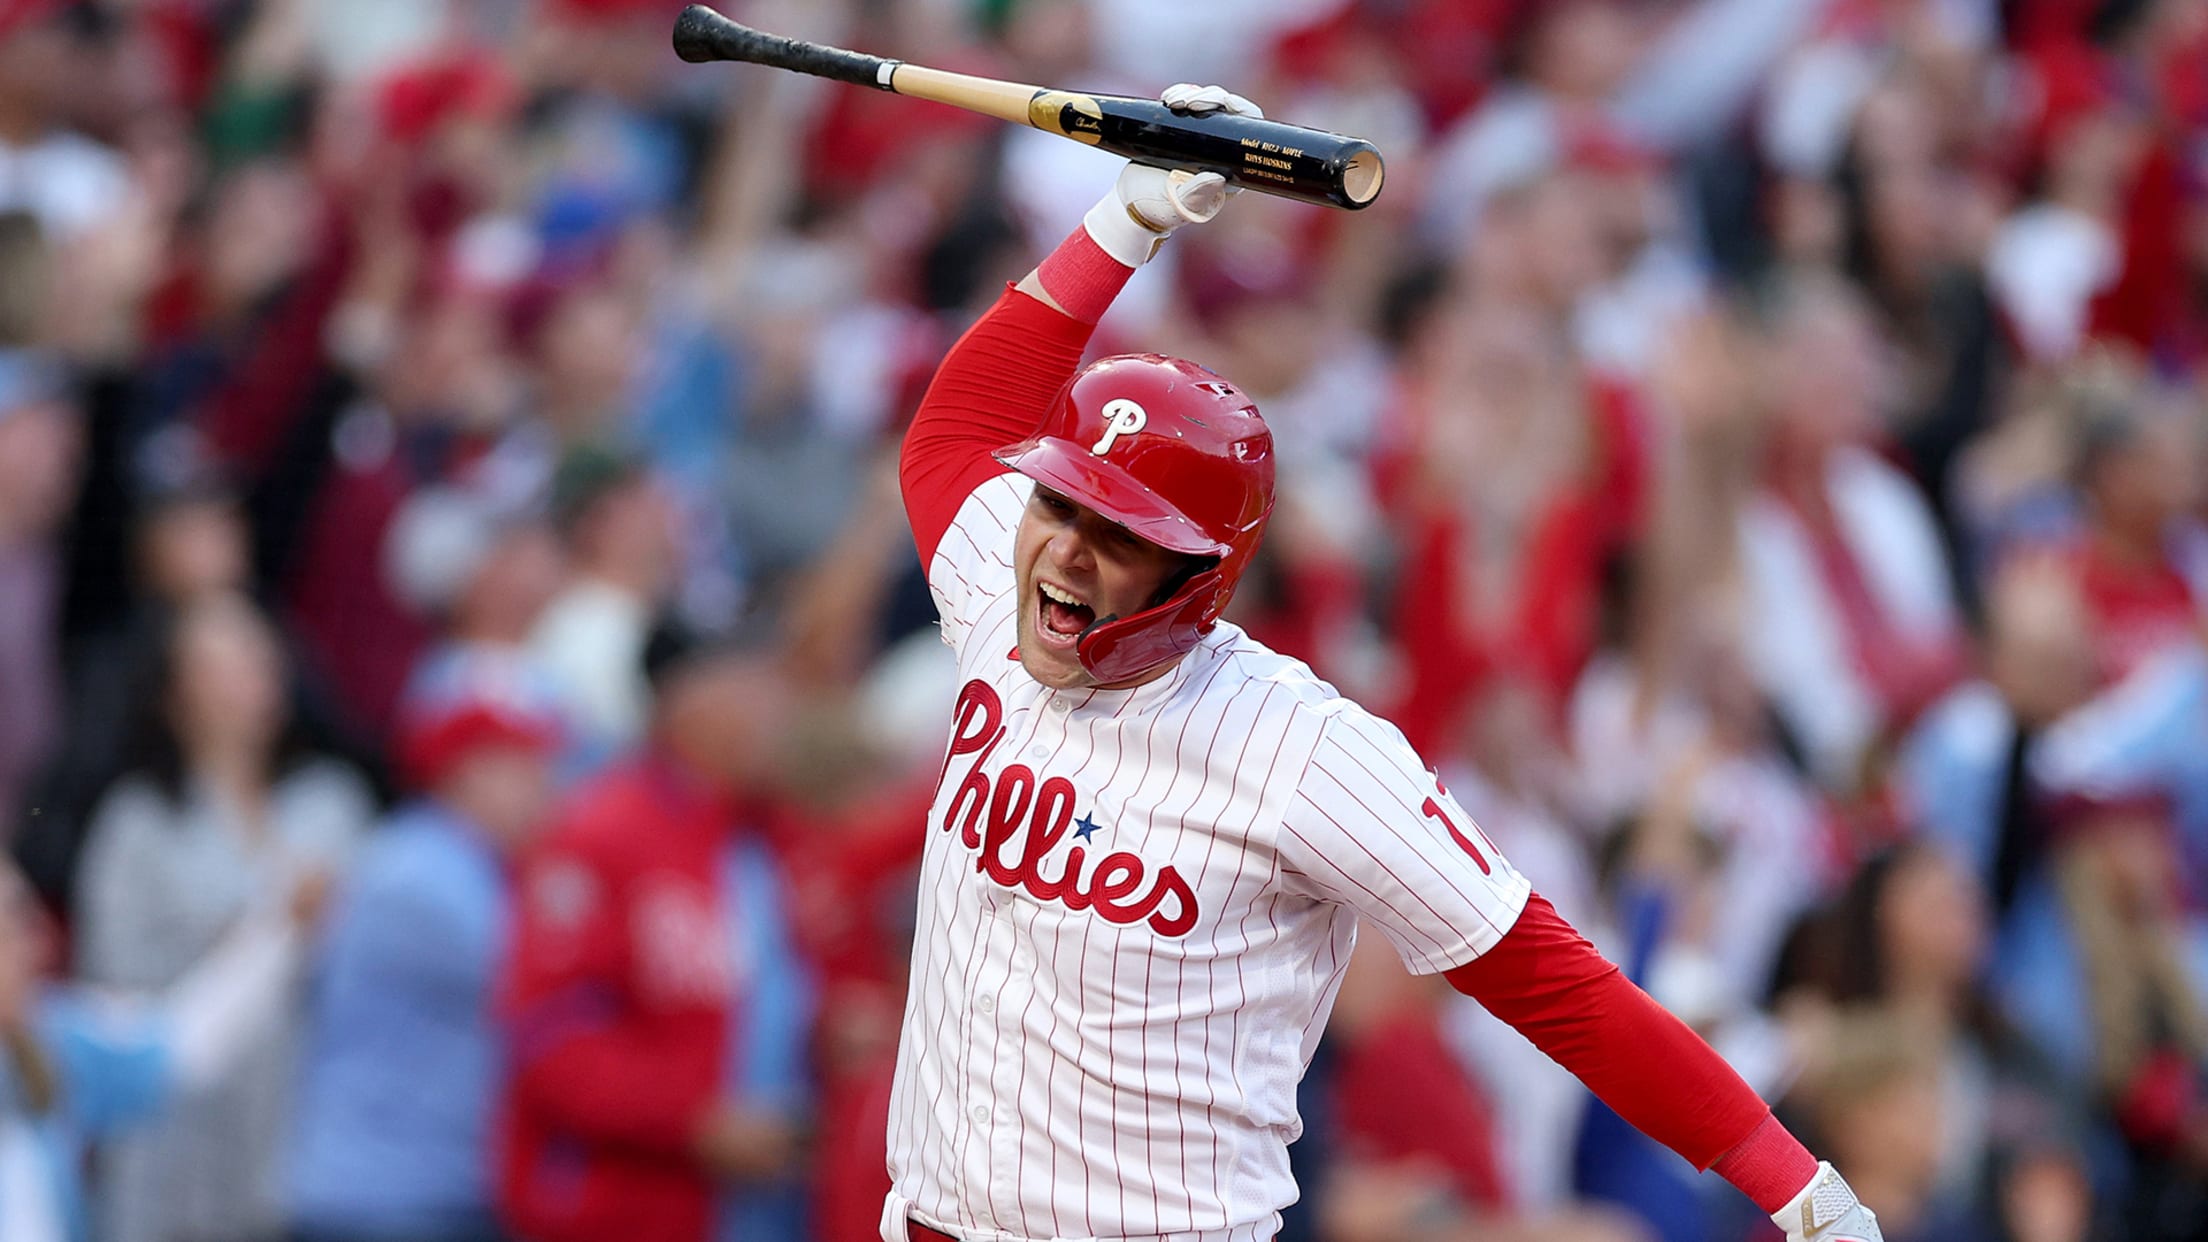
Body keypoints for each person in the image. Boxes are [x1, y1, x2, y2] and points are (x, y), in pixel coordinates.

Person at [884, 84, 1883, 1242]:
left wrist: (1792, 1183)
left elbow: (1556, 983)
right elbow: (955, 431)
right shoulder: (995, 592)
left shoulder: (1303, 750)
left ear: (1195, 572)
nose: (1063, 548)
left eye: (1119, 534)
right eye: (1062, 504)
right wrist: (1126, 223)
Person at [71, 591, 374, 1242]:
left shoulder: (332, 806)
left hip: (312, 1137)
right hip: (178, 1143)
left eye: (260, 655)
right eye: (224, 662)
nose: (253, 675)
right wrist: (266, 927)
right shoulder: (138, 823)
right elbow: (114, 989)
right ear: (174, 693)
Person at [496, 629, 815, 1242]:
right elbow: (548, 1035)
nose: (778, 707)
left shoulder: (778, 833)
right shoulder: (599, 834)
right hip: (633, 1207)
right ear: (683, 701)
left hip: (769, 1205)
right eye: (753, 685)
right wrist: (694, 1121)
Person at [287, 665, 564, 1242]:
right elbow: (544, 989)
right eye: (521, 764)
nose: (546, 785)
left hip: (432, 1191)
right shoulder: (420, 870)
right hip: (384, 1199)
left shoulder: (475, 865)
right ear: (461, 772)